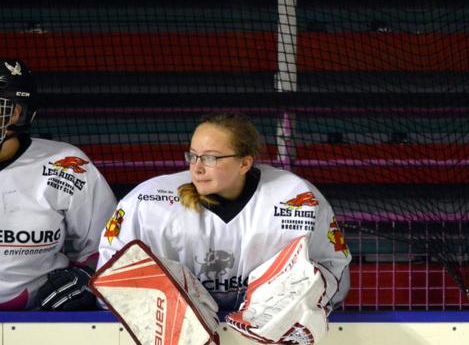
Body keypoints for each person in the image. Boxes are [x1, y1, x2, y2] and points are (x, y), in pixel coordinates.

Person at [97, 112, 351, 318]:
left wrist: (296, 304)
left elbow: (332, 270)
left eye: (211, 158)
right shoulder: (147, 203)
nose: (197, 168)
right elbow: (112, 276)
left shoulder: (297, 198)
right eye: (193, 156)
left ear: (245, 163)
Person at [0, 58, 116, 310]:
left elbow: (108, 244)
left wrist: (86, 277)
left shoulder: (64, 165)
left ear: (17, 113)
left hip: (43, 317)